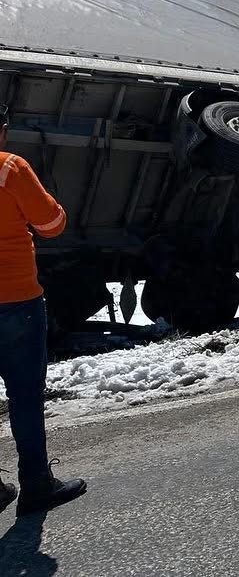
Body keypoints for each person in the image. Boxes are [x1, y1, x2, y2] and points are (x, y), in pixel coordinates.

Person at [0, 105, 87, 516]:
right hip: (16, 302)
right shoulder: (11, 168)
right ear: (1, 130)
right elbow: (52, 224)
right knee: (25, 396)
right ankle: (36, 483)